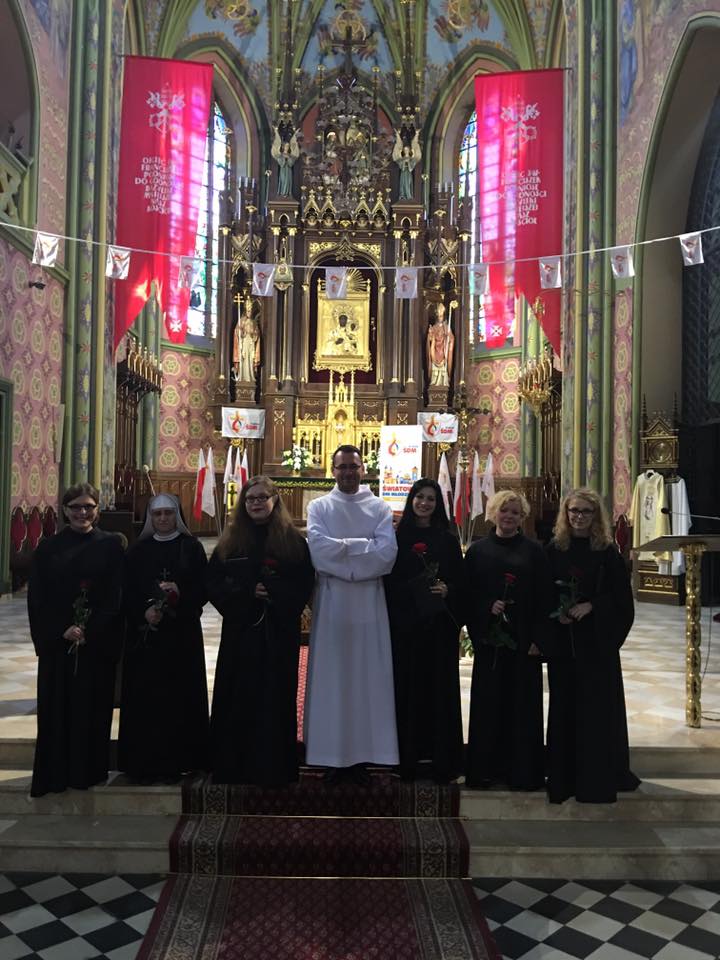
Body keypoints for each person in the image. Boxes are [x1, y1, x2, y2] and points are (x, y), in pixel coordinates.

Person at [207, 476, 314, 785]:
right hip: (241, 632)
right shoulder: (231, 540)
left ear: (274, 500)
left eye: (262, 497)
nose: (255, 503)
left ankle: (274, 766)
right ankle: (234, 764)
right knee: (238, 693)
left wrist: (274, 592)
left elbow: (304, 583)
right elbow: (213, 582)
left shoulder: (293, 542)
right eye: (250, 498)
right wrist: (246, 593)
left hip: (278, 632)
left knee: (275, 695)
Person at [304, 444, 398, 784]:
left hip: (370, 605)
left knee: (367, 679)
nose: (348, 472)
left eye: (353, 467)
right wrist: (363, 548)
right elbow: (318, 551)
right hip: (332, 605)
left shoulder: (380, 508)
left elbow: (386, 555)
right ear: (333, 470)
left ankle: (365, 756)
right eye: (342, 467)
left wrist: (342, 549)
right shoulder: (319, 507)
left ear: (363, 469)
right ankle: (331, 757)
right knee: (333, 680)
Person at [27, 483, 124, 798]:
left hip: (95, 644)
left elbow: (115, 595)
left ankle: (88, 772)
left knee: (92, 709)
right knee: (57, 709)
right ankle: (55, 774)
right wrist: (63, 629)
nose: (83, 513)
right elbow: (38, 598)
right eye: (76, 507)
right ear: (65, 511)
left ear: (97, 510)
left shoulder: (110, 546)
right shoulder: (48, 548)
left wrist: (89, 628)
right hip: (59, 645)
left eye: (89, 507)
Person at [545, 487, 641, 803]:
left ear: (596, 515)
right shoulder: (555, 548)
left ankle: (595, 780)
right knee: (564, 708)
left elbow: (622, 600)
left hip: (597, 646)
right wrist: (557, 614)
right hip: (565, 644)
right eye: (574, 510)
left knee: (596, 712)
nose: (579, 517)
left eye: (586, 511)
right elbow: (542, 592)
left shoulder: (607, 551)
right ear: (565, 513)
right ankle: (564, 778)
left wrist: (593, 606)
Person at [118, 494, 209, 784]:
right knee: (146, 698)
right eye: (157, 514)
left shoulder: (191, 548)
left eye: (168, 513)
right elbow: (126, 591)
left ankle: (182, 760)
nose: (163, 519)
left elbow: (204, 588)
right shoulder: (137, 550)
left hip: (182, 637)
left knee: (180, 697)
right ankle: (143, 763)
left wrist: (181, 595)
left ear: (177, 516)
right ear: (150, 518)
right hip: (146, 638)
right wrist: (143, 612)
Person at [464, 490, 549, 791]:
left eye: (515, 512)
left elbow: (545, 597)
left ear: (522, 517)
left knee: (522, 706)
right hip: (491, 642)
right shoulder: (477, 551)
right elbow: (467, 594)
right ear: (493, 513)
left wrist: (539, 638)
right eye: (504, 510)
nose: (509, 516)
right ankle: (484, 771)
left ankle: (521, 773)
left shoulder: (535, 551)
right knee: (488, 705)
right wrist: (486, 607)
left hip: (525, 641)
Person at [386, 478, 465, 782]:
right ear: (411, 500)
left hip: (438, 629)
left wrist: (449, 589)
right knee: (406, 690)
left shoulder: (447, 539)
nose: (424, 503)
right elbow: (387, 579)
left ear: (437, 504)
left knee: (439, 691)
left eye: (431, 498)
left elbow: (461, 580)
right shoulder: (396, 537)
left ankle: (441, 759)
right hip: (406, 627)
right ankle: (405, 758)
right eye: (419, 497)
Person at [426, 302, 455, 387]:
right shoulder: (434, 327)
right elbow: (430, 340)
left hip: (443, 351)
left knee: (443, 368)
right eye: (439, 316)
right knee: (434, 367)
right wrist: (430, 335)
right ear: (436, 317)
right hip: (435, 351)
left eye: (441, 316)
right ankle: (434, 382)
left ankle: (444, 382)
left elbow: (451, 339)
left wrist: (449, 337)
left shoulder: (446, 327)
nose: (440, 318)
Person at [233, 299, 261, 383]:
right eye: (248, 311)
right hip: (244, 341)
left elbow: (257, 333)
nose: (249, 312)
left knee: (251, 359)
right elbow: (237, 332)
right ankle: (243, 377)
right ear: (246, 311)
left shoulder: (254, 322)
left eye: (250, 311)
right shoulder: (241, 320)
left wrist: (255, 334)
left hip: (251, 342)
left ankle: (251, 377)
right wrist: (240, 332)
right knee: (244, 358)